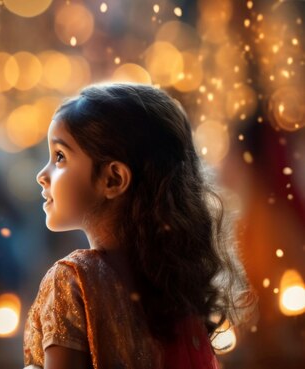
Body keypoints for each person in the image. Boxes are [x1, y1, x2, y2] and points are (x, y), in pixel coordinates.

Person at [23, 82, 258, 369]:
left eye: (60, 157)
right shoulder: (172, 283)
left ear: (113, 179)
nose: (41, 175)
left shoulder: (72, 282)